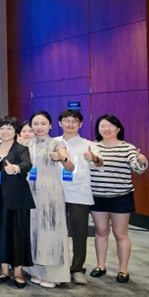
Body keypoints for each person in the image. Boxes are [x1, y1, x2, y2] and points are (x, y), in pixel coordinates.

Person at [88, 114, 148, 283]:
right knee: (101, 231)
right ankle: (100, 265)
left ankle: (123, 270)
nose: (106, 129)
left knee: (120, 233)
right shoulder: (92, 147)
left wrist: (141, 161)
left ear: (118, 128)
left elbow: (137, 169)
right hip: (97, 196)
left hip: (121, 196)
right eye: (102, 126)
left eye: (110, 126)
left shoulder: (127, 148)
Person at [24, 111, 73, 288]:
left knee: (50, 231)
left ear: (50, 125)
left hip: (50, 192)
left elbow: (70, 166)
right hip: (30, 190)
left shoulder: (56, 144)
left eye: (43, 123)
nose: (39, 127)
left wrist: (62, 158)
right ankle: (36, 270)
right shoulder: (27, 144)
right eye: (36, 124)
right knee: (34, 230)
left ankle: (52, 274)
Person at [0, 117, 34, 289]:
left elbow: (27, 164)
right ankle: (4, 270)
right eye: (2, 128)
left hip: (16, 199)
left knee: (17, 233)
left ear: (15, 131)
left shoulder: (21, 149)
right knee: (0, 232)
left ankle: (18, 272)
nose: (5, 132)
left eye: (9, 128)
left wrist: (16, 168)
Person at [55, 109, 98, 285]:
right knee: (56, 233)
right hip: (56, 194)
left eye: (74, 121)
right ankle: (58, 268)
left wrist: (94, 158)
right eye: (66, 120)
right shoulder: (53, 143)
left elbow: (99, 164)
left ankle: (78, 269)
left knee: (80, 234)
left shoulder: (89, 144)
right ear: (60, 123)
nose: (70, 124)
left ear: (80, 124)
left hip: (79, 194)